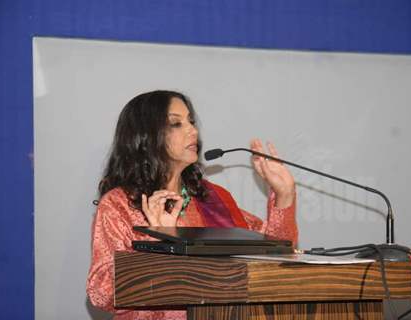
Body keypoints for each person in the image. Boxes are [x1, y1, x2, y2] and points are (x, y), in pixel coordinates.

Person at [86, 90, 298, 319]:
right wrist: (158, 241)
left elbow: (274, 254)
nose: (193, 130)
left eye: (191, 121)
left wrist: (284, 195)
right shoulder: (119, 205)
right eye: (176, 124)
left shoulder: (213, 198)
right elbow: (101, 292)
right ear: (146, 137)